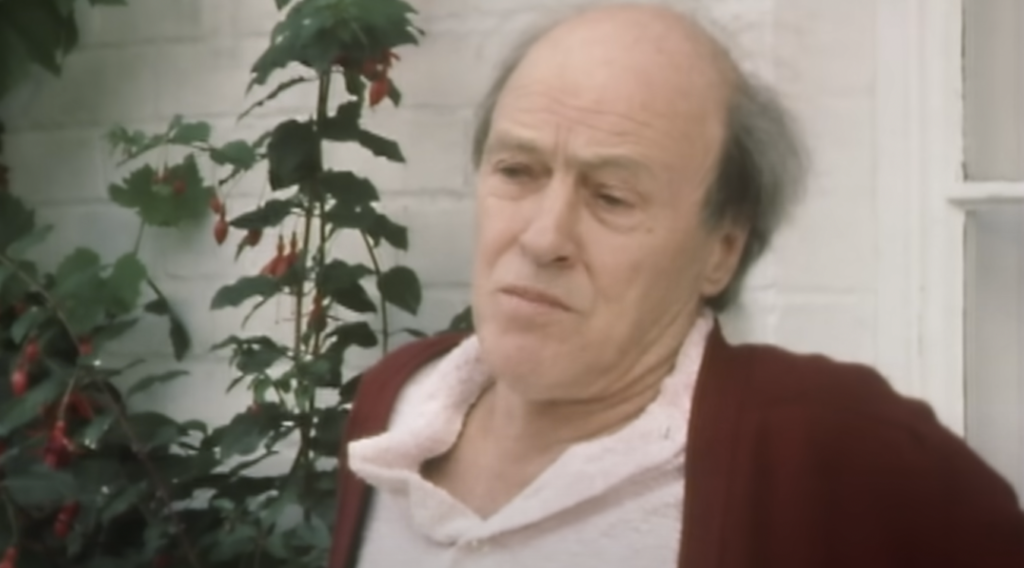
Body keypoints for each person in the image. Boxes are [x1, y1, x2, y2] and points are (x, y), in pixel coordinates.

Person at [327, 4, 1024, 567]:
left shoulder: (835, 447)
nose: (542, 238)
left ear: (721, 250)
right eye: (517, 171)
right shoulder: (397, 404)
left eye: (612, 197)